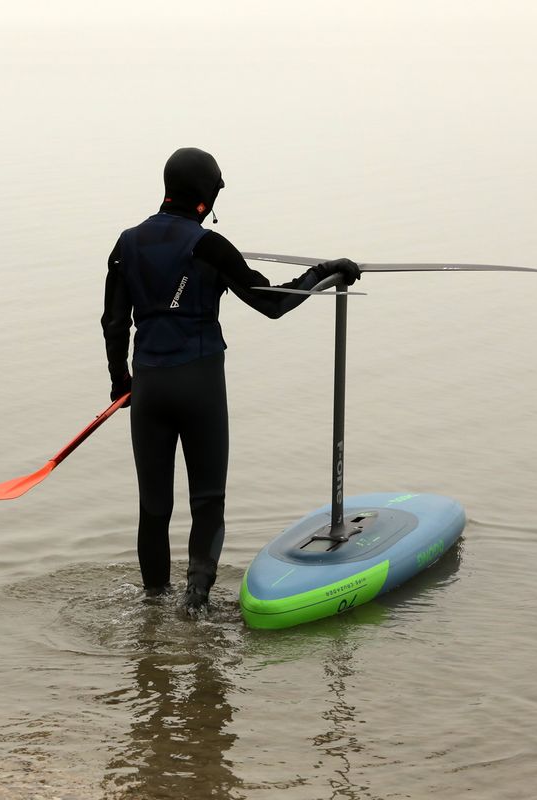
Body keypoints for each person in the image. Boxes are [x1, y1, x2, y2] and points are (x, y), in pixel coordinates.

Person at [101, 147, 361, 614]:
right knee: (207, 502)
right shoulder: (210, 247)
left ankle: (153, 608)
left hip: (149, 389)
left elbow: (113, 323)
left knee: (154, 507)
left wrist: (121, 383)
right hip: (198, 386)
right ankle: (195, 605)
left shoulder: (126, 243)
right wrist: (324, 273)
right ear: (205, 196)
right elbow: (272, 302)